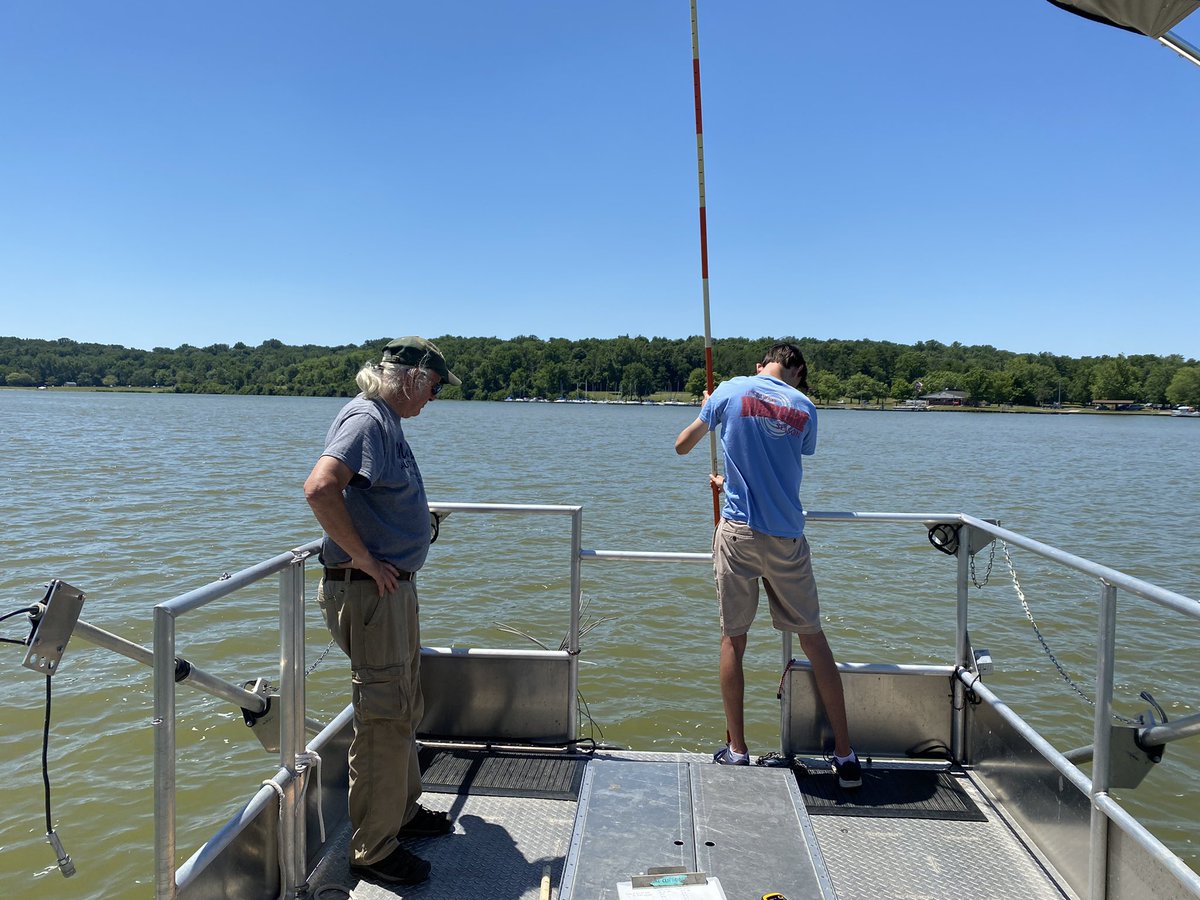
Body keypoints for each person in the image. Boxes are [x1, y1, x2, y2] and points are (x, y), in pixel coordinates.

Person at [303, 336, 461, 885]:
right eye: (436, 386)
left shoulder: (387, 421)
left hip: (391, 591)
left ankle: (403, 814)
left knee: (403, 704)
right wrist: (365, 558)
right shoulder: (366, 419)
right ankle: (373, 848)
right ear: (413, 377)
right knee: (382, 718)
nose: (436, 397)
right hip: (371, 594)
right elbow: (321, 488)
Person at [674, 342, 862, 788]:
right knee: (814, 640)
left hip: (738, 533)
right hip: (785, 538)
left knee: (733, 639)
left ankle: (737, 751)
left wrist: (708, 410)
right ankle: (845, 754)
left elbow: (682, 447)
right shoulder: (805, 407)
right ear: (795, 371)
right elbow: (781, 461)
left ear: (763, 365)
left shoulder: (730, 390)